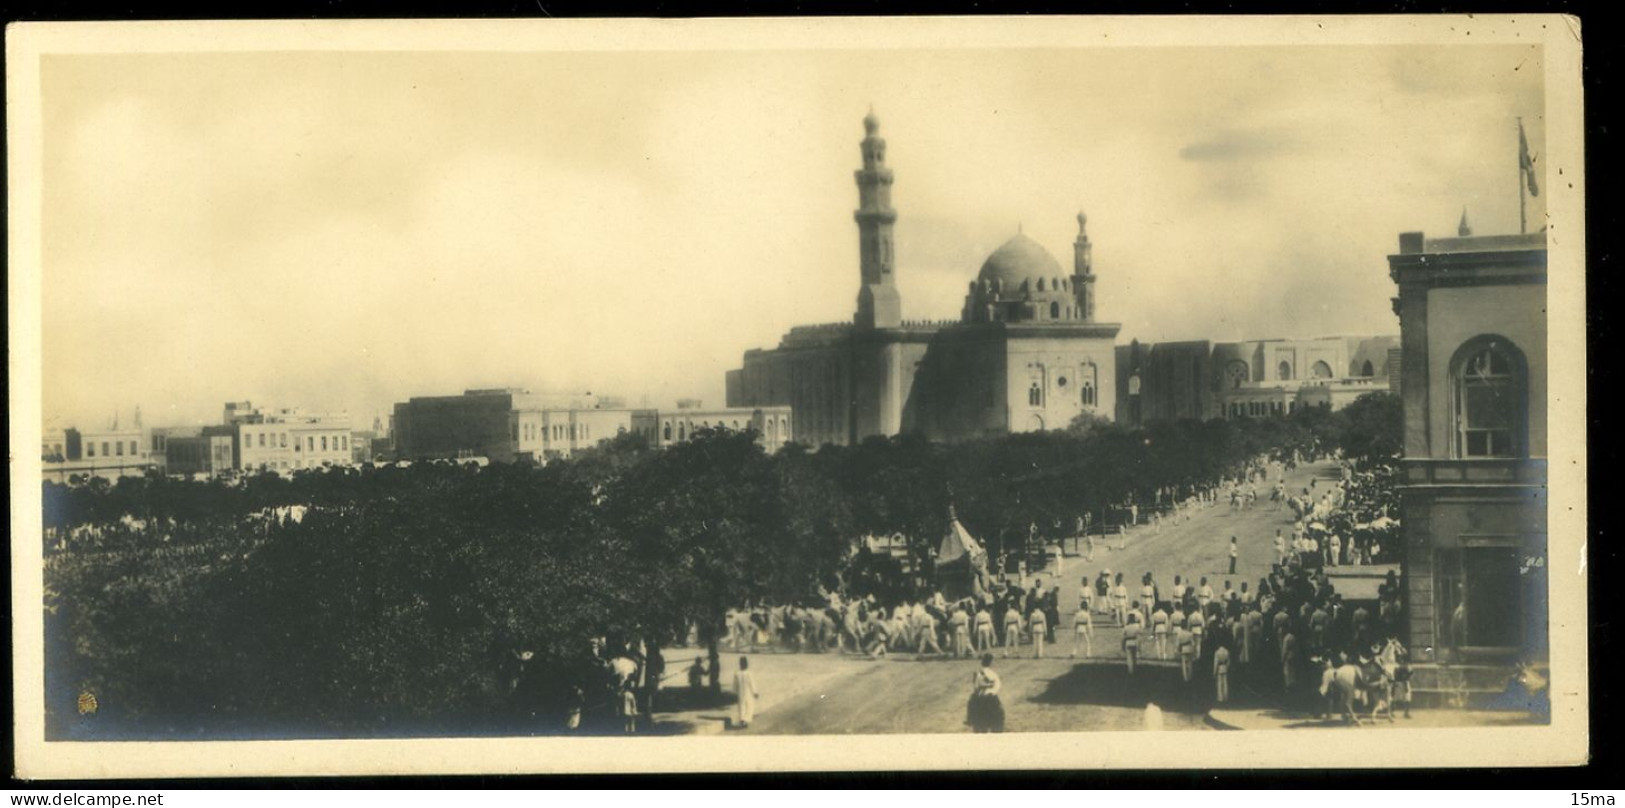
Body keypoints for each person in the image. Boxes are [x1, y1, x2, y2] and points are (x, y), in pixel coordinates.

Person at [966, 654, 1006, 733]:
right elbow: (997, 686)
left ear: (982, 662)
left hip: (979, 699)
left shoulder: (977, 673)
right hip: (991, 699)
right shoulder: (993, 674)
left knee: (971, 704)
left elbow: (975, 686)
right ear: (991, 663)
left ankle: (970, 719)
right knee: (998, 720)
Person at [734, 656, 760, 729]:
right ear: (746, 664)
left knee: (742, 706)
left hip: (740, 692)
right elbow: (752, 683)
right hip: (748, 692)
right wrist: (755, 692)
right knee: (749, 705)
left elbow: (735, 684)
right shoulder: (749, 673)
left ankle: (742, 719)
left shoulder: (737, 673)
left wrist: (735, 692)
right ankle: (745, 719)